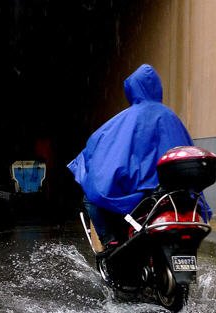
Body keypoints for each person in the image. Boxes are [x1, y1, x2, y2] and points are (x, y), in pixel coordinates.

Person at [67, 63, 206, 249]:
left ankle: (110, 241)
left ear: (132, 89)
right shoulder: (171, 117)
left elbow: (102, 146)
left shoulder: (127, 118)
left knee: (91, 197)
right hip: (171, 193)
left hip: (140, 195)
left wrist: (86, 164)